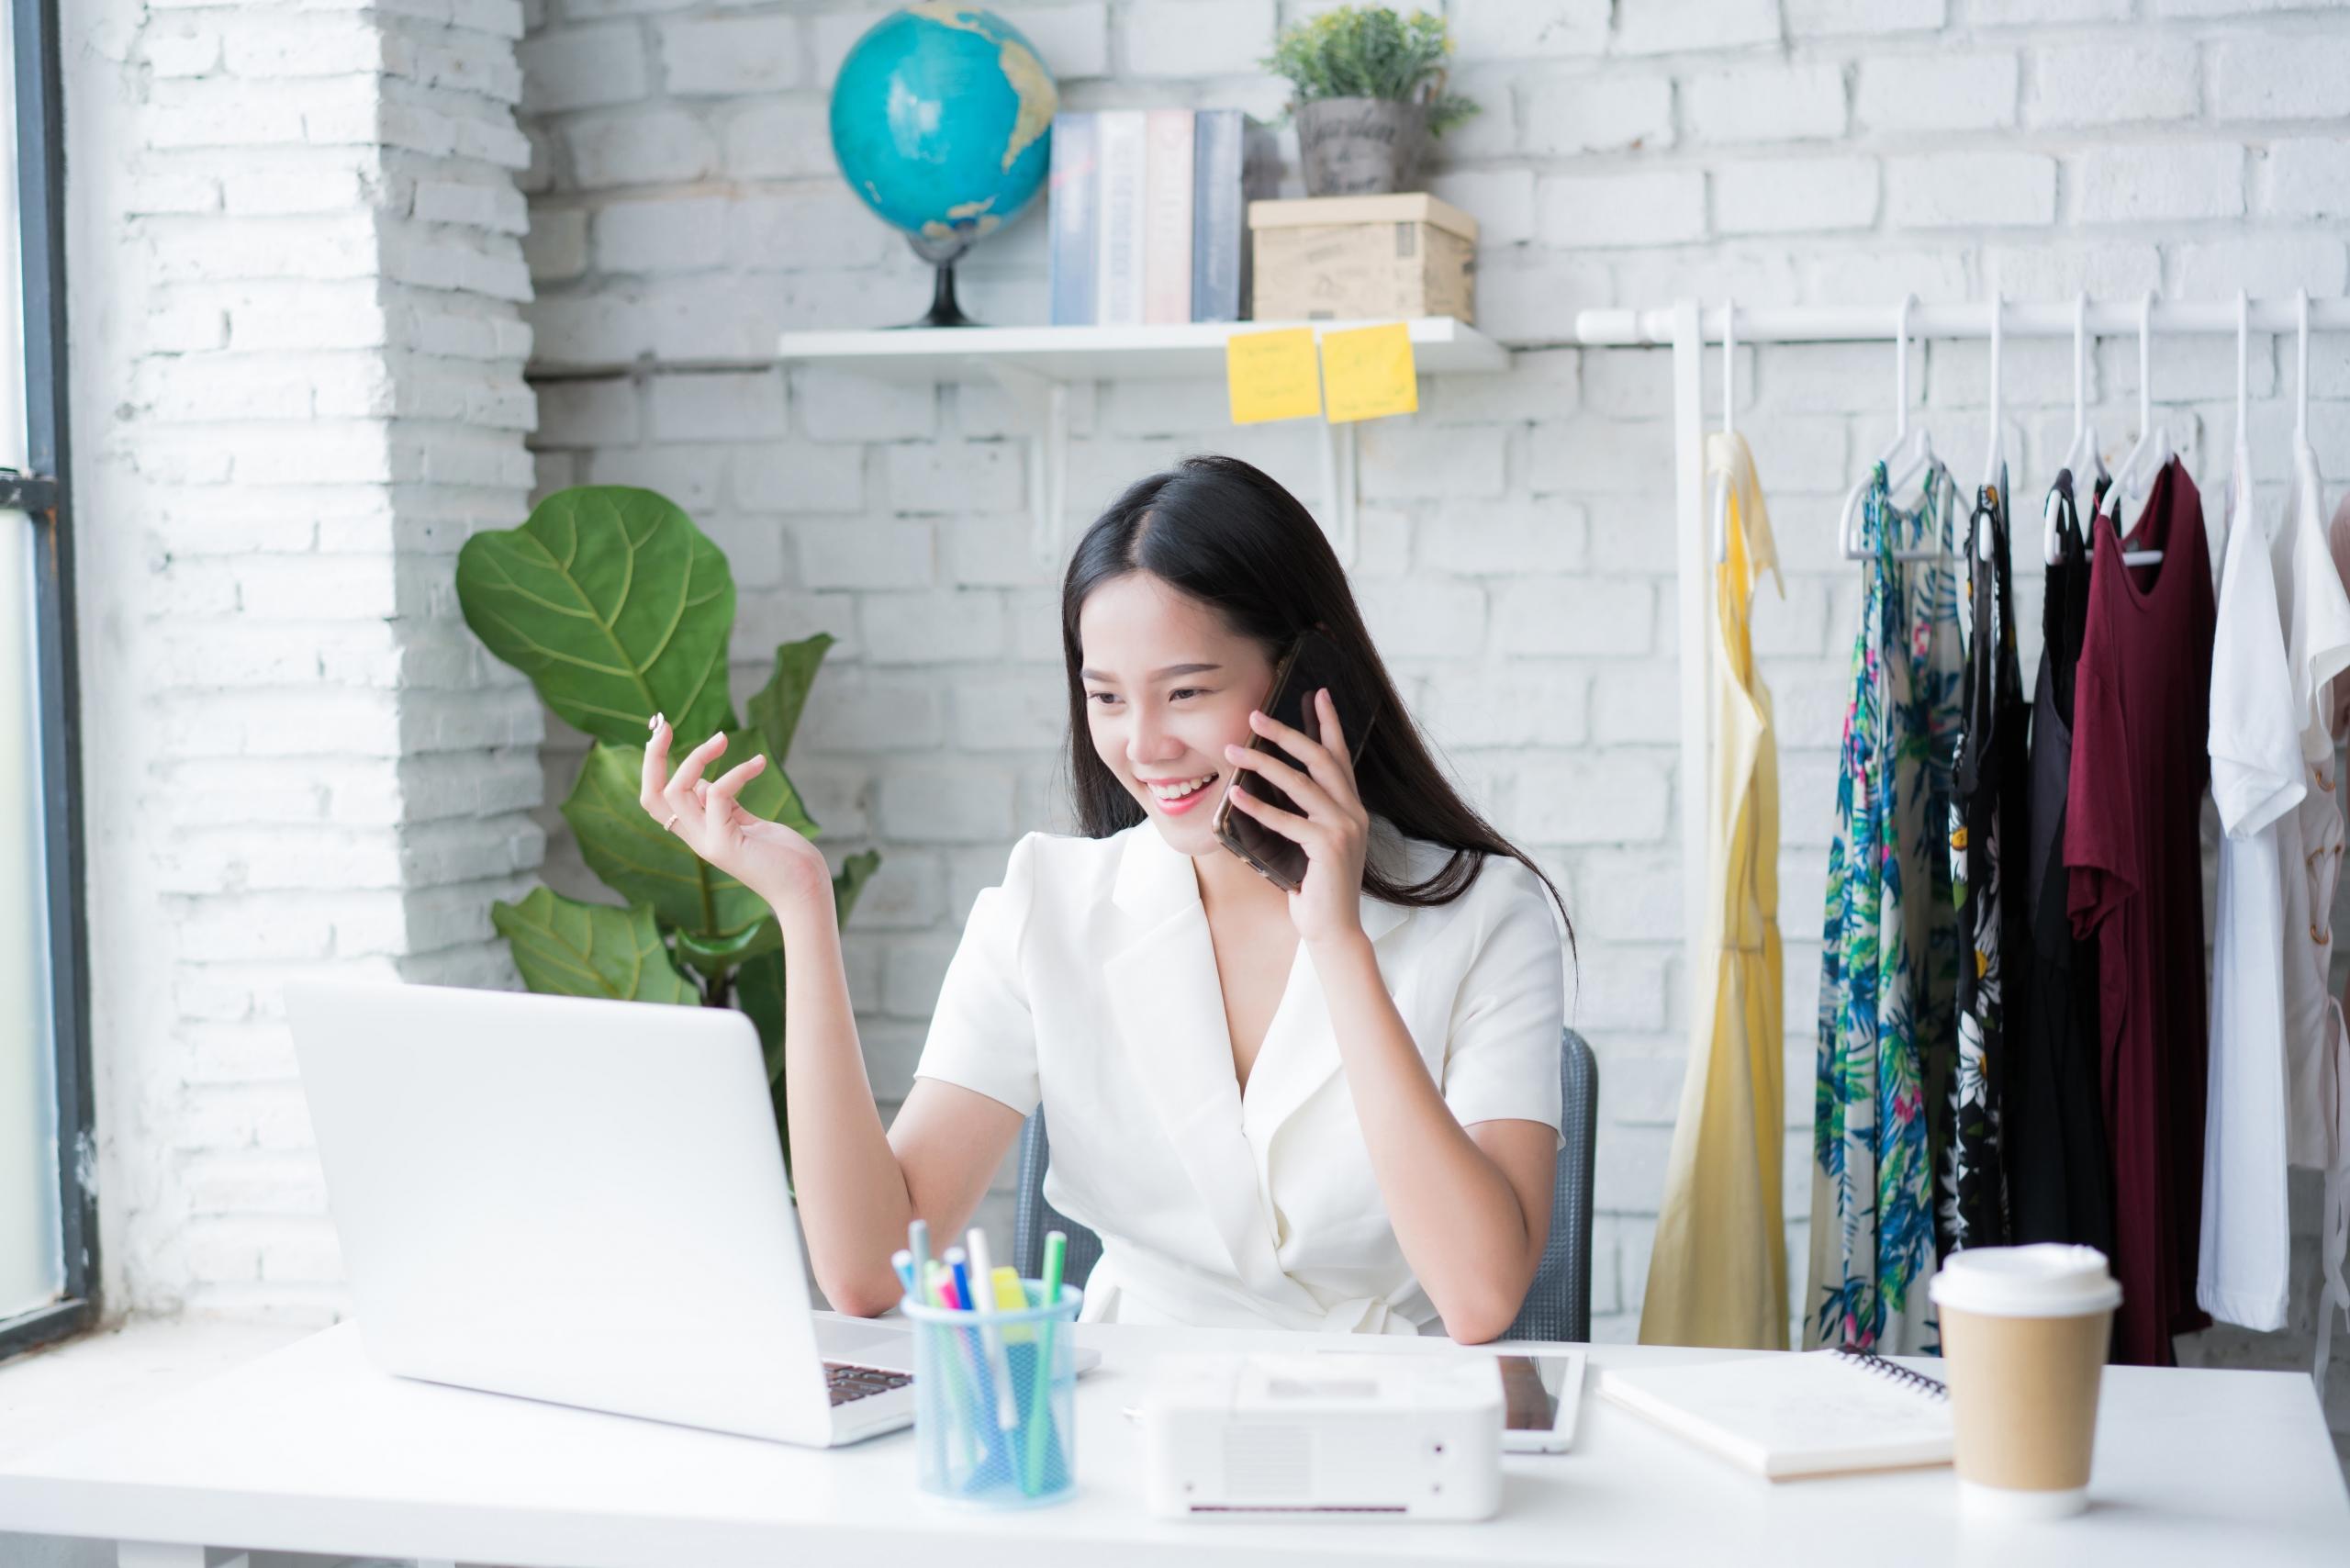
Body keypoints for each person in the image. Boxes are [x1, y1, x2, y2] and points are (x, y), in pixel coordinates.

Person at [639, 454, 1573, 1341]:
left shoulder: (1487, 914)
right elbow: (870, 1270)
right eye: (1108, 698)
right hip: (1119, 1420)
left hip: (1378, 1427)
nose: (1143, 746)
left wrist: (1334, 936)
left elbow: (1480, 1296)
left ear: (1307, 683)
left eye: (1185, 691)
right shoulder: (1047, 903)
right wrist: (802, 908)